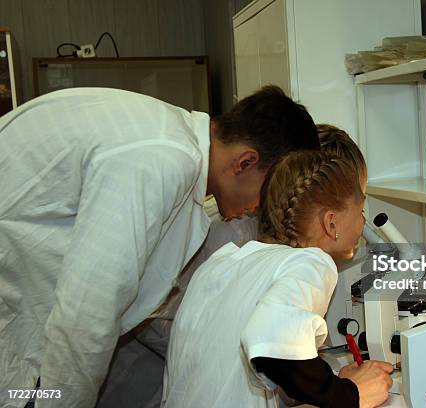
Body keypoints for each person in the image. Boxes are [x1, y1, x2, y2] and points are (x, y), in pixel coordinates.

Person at [0, 85, 319, 408]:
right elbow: (87, 314)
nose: (258, 208)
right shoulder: (160, 159)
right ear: (245, 162)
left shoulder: (171, 141)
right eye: (267, 193)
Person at [163, 150, 392, 408]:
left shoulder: (225, 260)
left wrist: (334, 382)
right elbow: (273, 346)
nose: (363, 223)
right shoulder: (312, 262)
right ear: (331, 223)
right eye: (360, 210)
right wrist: (350, 395)